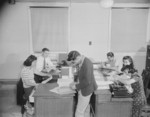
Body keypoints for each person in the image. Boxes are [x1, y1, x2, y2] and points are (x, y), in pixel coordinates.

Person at [67, 50, 98, 117]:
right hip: (84, 87)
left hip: (86, 89)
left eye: (73, 61)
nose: (73, 63)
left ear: (78, 57)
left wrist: (76, 86)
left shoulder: (87, 63)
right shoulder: (81, 61)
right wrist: (74, 81)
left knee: (79, 112)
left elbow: (87, 81)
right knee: (86, 109)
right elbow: (79, 73)